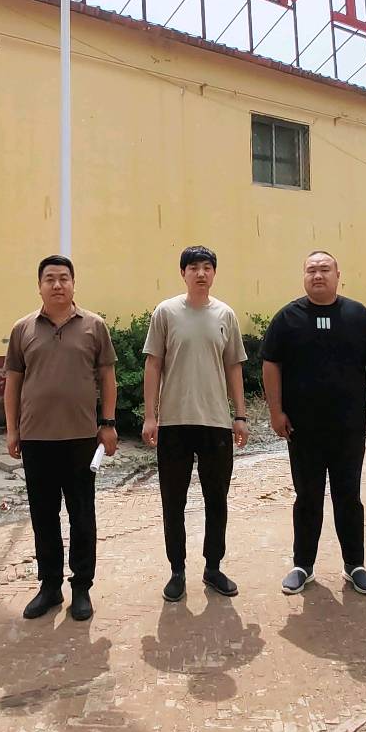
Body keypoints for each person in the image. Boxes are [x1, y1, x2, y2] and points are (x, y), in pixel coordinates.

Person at [261, 251, 366, 598]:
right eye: (311, 270)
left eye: (324, 269)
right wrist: (276, 412)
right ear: (304, 276)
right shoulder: (288, 318)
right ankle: (303, 565)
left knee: (349, 496)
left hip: (348, 427)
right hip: (302, 429)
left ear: (337, 275)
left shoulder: (358, 316)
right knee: (307, 497)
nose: (318, 275)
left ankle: (354, 565)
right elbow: (271, 365)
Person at [4, 255, 118, 622]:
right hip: (36, 439)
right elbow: (13, 383)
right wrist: (12, 429)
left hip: (81, 438)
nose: (57, 285)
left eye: (63, 278)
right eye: (50, 279)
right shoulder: (23, 329)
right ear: (39, 286)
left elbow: (107, 377)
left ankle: (81, 587)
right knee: (43, 516)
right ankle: (50, 587)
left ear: (73, 283)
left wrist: (108, 423)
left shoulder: (94, 326)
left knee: (82, 516)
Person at [142, 246, 249, 602]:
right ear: (183, 273)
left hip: (216, 423)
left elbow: (234, 366)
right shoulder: (166, 312)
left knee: (216, 499)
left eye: (206, 267)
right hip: (174, 422)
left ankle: (213, 567)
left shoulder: (225, 315)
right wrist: (151, 416)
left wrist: (240, 416)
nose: (200, 273)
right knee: (173, 501)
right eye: (193, 268)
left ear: (214, 273)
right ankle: (177, 570)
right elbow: (153, 364)